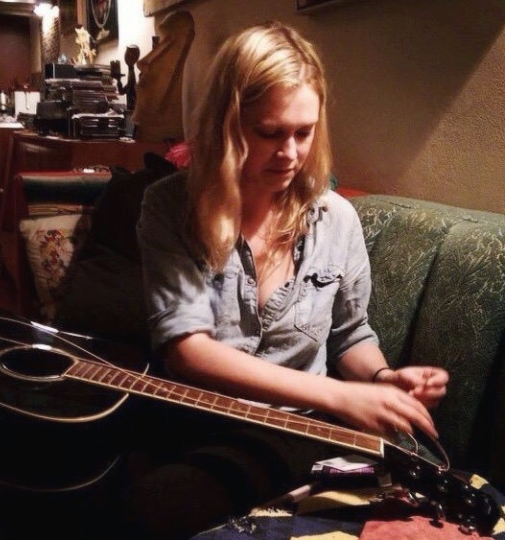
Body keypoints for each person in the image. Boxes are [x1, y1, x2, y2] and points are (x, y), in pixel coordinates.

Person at [130, 20, 449, 539]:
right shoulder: (170, 207)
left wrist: (380, 379)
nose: (291, 154)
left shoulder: (336, 218)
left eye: (304, 132)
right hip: (204, 419)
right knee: (152, 507)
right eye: (269, 133)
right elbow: (187, 349)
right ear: (226, 124)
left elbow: (350, 334)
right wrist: (338, 396)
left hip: (301, 430)